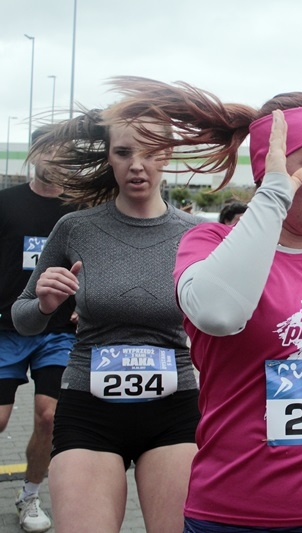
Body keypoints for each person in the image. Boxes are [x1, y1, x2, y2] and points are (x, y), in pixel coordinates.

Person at [102, 77, 302, 531]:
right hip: (245, 511)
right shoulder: (209, 244)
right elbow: (218, 313)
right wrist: (273, 194)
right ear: (269, 169)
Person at [12, 107, 206, 532]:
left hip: (174, 411)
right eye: (123, 152)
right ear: (109, 158)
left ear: (167, 155)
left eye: (150, 152)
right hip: (88, 408)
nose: (137, 165)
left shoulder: (198, 235)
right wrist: (44, 304)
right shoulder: (75, 228)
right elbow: (23, 318)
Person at [0, 128, 77, 533]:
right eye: (47, 150)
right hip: (7, 327)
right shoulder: (6, 203)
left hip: (57, 331)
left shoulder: (78, 211)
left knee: (49, 416)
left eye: (62, 151)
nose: (54, 158)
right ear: (33, 155)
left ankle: (29, 495)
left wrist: (85, 306)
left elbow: (93, 264)